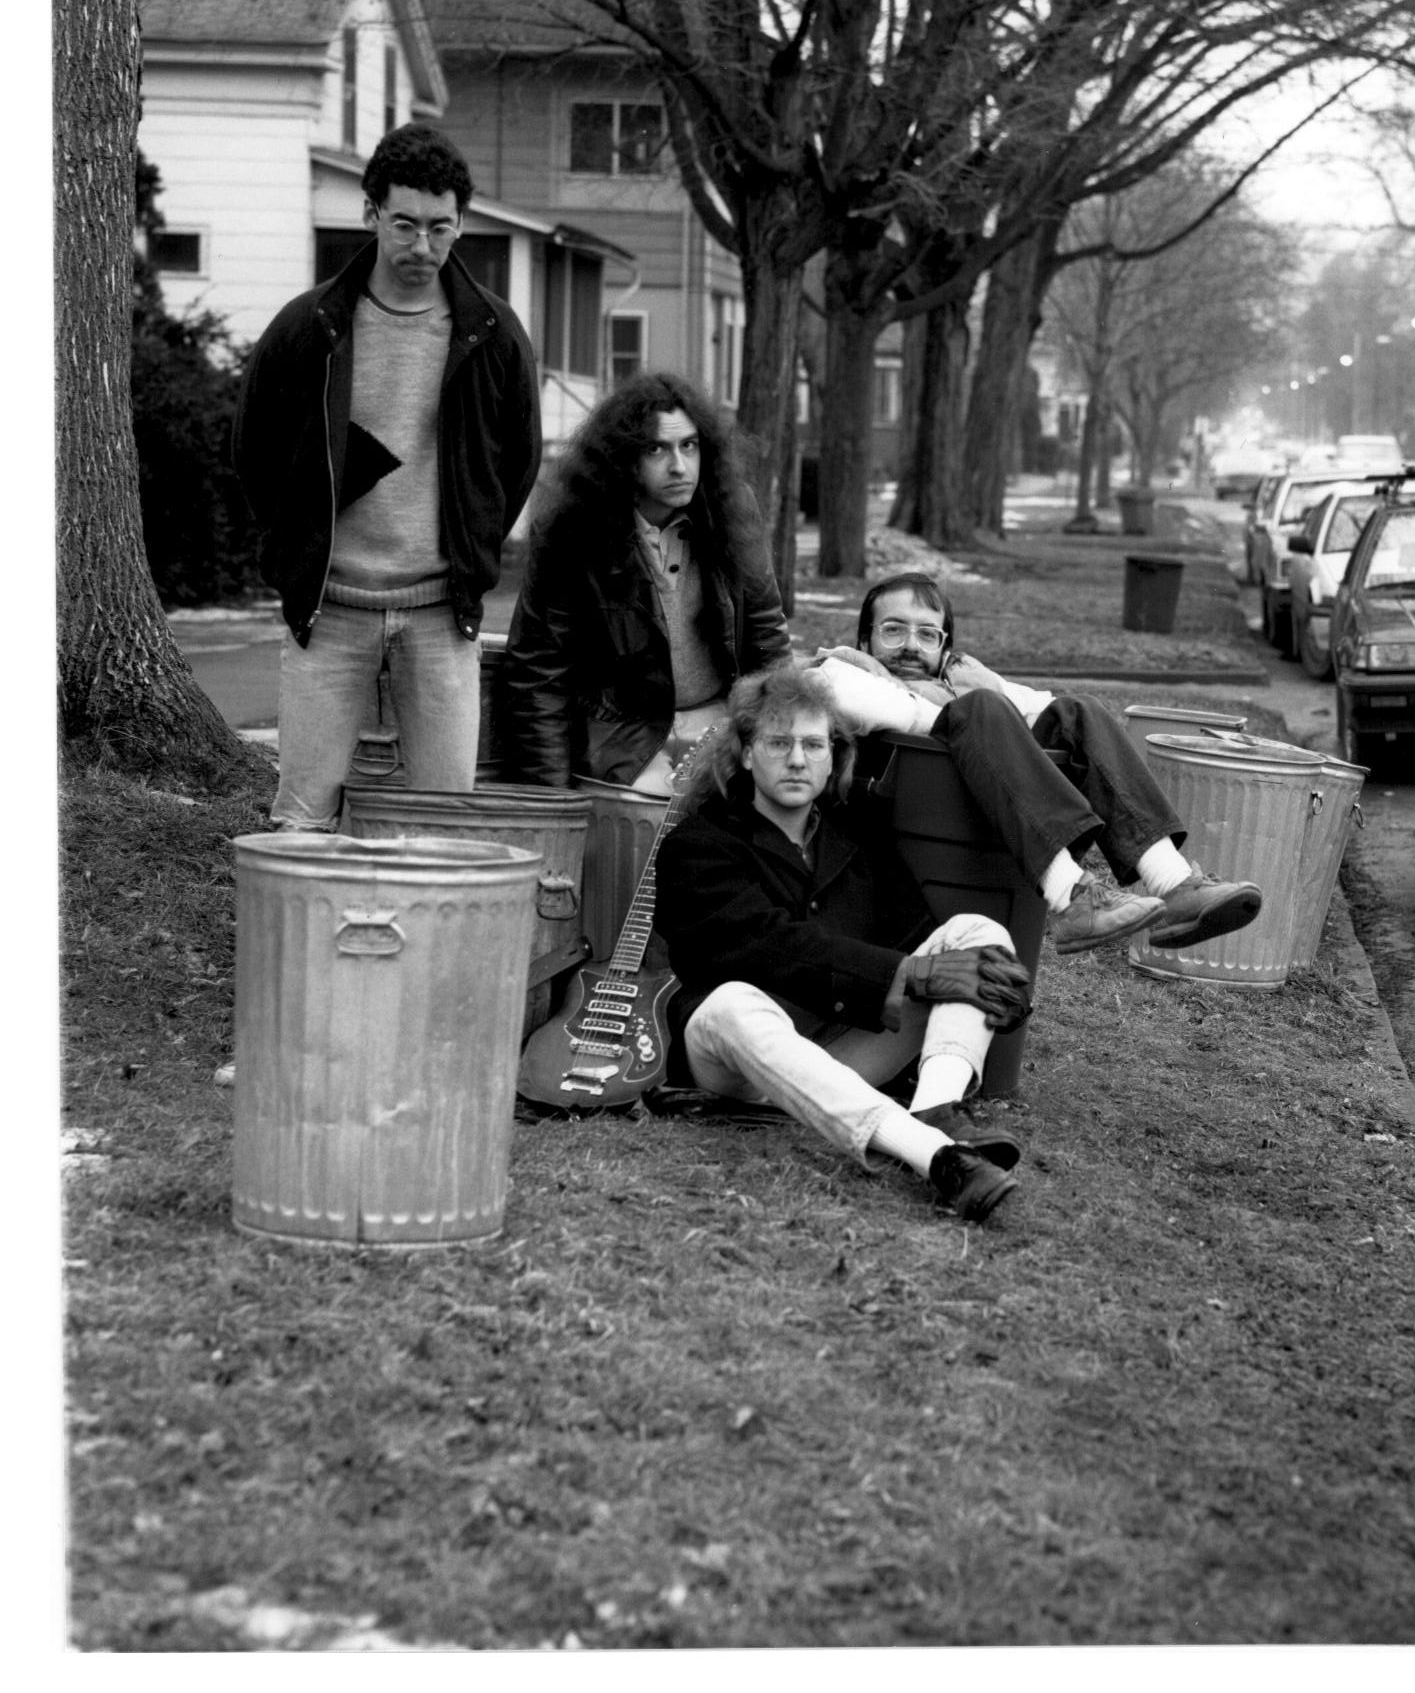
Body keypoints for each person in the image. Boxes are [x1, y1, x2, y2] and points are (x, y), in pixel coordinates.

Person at [233, 124, 542, 830]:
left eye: (440, 227)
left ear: (463, 223)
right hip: (329, 609)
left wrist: (472, 544)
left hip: (441, 614)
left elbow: (517, 461)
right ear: (370, 212)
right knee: (302, 822)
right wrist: (296, 548)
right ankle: (308, 943)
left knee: (443, 826)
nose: (422, 247)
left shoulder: (493, 334)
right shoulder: (309, 327)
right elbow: (254, 449)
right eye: (404, 224)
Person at [653, 667, 1032, 1223]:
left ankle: (936, 1112)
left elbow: (918, 936)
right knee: (732, 1003)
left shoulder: (857, 833)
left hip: (843, 1053)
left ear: (834, 756)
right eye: (779, 743)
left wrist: (975, 991)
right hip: (739, 1063)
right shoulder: (699, 843)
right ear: (747, 754)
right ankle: (935, 1157)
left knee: (979, 935)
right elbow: (767, 945)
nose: (798, 759)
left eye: (813, 744)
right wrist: (909, 977)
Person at [808, 571, 1263, 954]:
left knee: (1077, 711)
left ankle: (1173, 883)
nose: (910, 645)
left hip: (989, 812)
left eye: (928, 634)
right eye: (893, 630)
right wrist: (965, 716)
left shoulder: (961, 685)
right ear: (864, 637)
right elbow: (868, 706)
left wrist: (985, 702)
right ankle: (1071, 897)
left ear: (945, 647)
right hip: (900, 835)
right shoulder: (842, 671)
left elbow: (1037, 706)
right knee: (981, 709)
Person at [498, 372, 790, 794]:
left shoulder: (730, 510)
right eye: (657, 449)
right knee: (650, 812)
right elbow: (539, 671)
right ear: (623, 459)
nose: (679, 466)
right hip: (619, 731)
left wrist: (777, 738)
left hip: (718, 718)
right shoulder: (573, 528)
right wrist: (549, 797)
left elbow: (767, 636)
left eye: (689, 446)